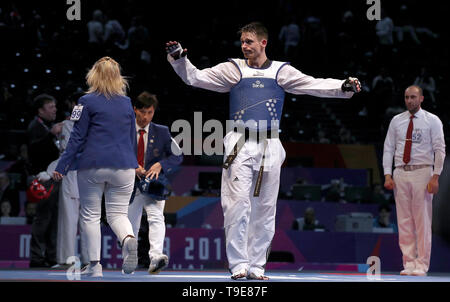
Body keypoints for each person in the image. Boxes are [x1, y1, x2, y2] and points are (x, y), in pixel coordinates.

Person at [166, 22, 360, 280]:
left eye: (249, 42)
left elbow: (313, 84)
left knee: (266, 208)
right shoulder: (233, 69)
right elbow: (196, 77)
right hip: (239, 144)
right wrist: (179, 60)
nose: (244, 46)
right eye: (242, 42)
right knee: (236, 205)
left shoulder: (281, 71)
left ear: (263, 43)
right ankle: (238, 265)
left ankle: (257, 266)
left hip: (269, 144)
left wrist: (342, 86)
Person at [53, 56, 139, 277]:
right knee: (118, 213)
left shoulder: (84, 101)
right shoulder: (127, 102)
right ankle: (128, 239)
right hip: (125, 166)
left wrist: (62, 166)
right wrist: (134, 163)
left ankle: (95, 266)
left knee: (91, 216)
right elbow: (132, 137)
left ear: (93, 75)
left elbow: (76, 137)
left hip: (93, 165)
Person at [383, 85, 446, 277]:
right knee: (404, 221)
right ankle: (408, 263)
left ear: (421, 99)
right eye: (407, 97)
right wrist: (387, 174)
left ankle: (422, 265)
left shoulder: (432, 120)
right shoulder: (396, 121)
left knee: (422, 221)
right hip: (401, 172)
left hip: (423, 172)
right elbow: (388, 148)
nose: (409, 100)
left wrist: (436, 176)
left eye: (413, 97)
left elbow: (440, 149)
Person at [127, 91, 183, 274]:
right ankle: (129, 258)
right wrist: (131, 166)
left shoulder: (162, 131)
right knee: (130, 223)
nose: (145, 117)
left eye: (150, 112)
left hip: (154, 185)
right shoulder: (124, 130)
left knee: (156, 217)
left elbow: (177, 155)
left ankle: (156, 257)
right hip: (129, 182)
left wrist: (161, 164)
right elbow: (115, 151)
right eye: (142, 112)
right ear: (135, 110)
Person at [27, 93, 62, 268]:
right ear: (40, 110)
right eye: (50, 107)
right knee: (42, 218)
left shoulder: (46, 126)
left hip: (52, 178)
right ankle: (36, 257)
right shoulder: (36, 127)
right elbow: (34, 149)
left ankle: (51, 256)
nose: (54, 109)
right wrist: (50, 134)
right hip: (41, 179)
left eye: (55, 106)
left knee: (52, 218)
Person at [54, 93, 88, 268]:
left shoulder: (70, 123)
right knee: (88, 219)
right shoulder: (95, 124)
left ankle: (67, 259)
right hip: (90, 175)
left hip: (71, 173)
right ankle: (90, 259)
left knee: (69, 218)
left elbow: (67, 150)